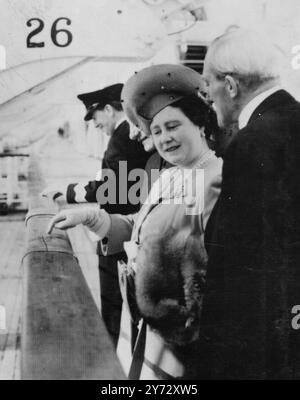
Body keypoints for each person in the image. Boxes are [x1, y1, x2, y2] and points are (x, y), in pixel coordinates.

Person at [47, 64, 223, 379]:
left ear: (199, 123)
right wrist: (94, 218)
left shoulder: (215, 179)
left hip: (187, 340)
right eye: (156, 131)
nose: (164, 138)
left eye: (172, 126)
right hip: (150, 327)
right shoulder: (169, 176)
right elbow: (140, 226)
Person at [200, 28, 300, 379]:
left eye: (208, 85)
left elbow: (238, 265)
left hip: (265, 343)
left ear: (230, 86)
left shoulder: (252, 143)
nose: (207, 97)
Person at [43, 83, 150, 347]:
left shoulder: (123, 136)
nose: (94, 124)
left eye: (95, 117)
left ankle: (110, 357)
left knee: (113, 304)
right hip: (127, 227)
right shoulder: (130, 134)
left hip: (119, 232)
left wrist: (68, 193)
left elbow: (110, 188)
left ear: (109, 109)